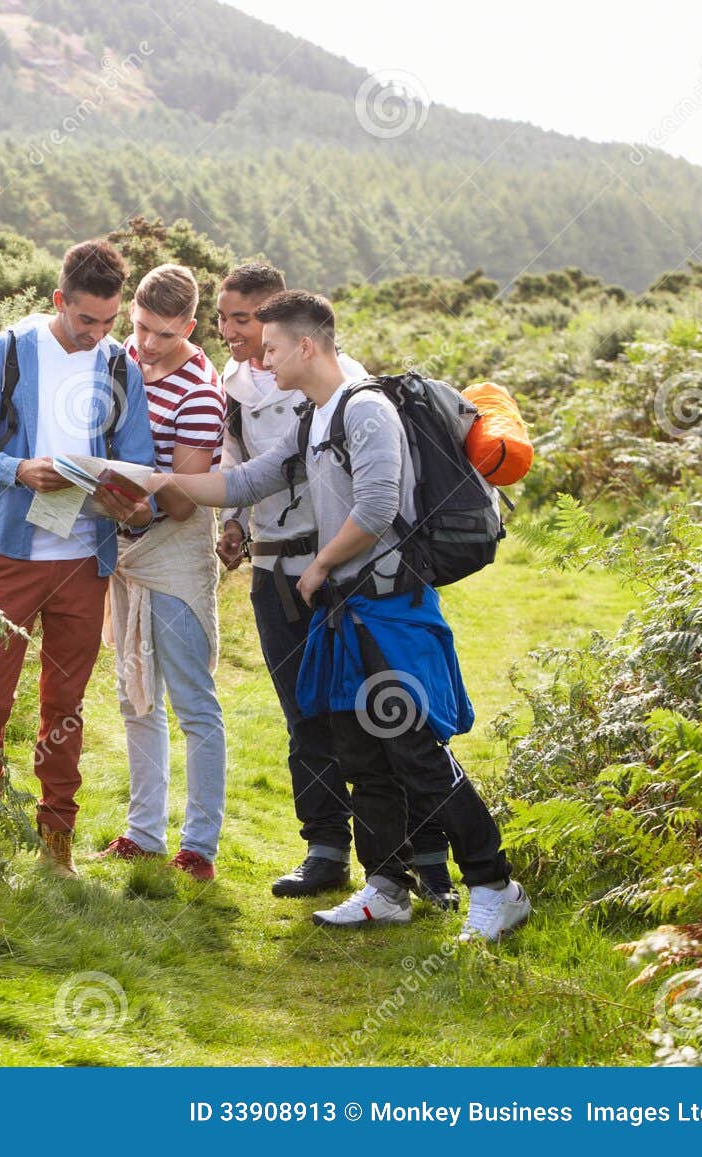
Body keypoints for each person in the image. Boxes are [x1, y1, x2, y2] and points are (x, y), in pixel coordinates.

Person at [142, 290, 532, 942]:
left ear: (307, 346)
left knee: (416, 752)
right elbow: (244, 483)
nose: (262, 362)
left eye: (270, 348)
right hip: (345, 618)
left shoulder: (366, 409)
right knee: (361, 753)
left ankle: (495, 884)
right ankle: (386, 885)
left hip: (386, 612)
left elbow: (377, 506)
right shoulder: (315, 419)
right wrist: (159, 480)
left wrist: (319, 565)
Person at [215, 263, 455, 907]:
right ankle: (329, 851)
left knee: (387, 723)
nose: (234, 334)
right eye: (225, 319)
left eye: (247, 321)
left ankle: (429, 865)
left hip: (352, 581)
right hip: (274, 570)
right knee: (308, 716)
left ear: (292, 329)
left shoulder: (346, 390)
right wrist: (222, 516)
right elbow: (242, 470)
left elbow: (375, 500)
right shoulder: (234, 388)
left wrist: (324, 565)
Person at [0, 240, 158, 877]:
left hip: (83, 560)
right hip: (11, 553)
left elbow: (138, 462)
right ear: (58, 301)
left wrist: (127, 500)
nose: (98, 334)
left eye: (108, 322)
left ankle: (56, 844)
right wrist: (20, 469)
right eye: (86, 321)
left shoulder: (120, 365)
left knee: (63, 707)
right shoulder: (6, 351)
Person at [97, 264, 226, 881]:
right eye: (140, 328)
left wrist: (136, 499)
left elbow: (183, 498)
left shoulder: (201, 391)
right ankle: (143, 834)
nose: (146, 345)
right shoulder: (122, 355)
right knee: (134, 696)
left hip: (172, 550)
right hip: (123, 545)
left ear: (191, 329)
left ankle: (198, 846)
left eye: (162, 336)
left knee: (192, 703)